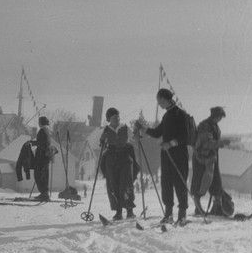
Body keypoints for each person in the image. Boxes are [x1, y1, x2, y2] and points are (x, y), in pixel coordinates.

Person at [137, 88, 190, 225]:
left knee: (179, 183)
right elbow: (157, 132)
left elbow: (185, 136)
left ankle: (182, 215)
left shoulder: (180, 114)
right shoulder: (167, 116)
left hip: (178, 154)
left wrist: (171, 143)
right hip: (166, 155)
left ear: (163, 99)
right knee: (166, 183)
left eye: (158, 100)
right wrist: (144, 128)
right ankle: (168, 214)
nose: (158, 104)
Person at [191, 107, 233, 217]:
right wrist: (221, 143)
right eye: (220, 117)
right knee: (201, 182)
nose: (220, 119)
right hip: (201, 159)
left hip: (211, 158)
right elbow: (206, 143)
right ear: (216, 116)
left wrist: (220, 143)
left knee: (216, 181)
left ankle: (217, 207)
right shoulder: (204, 125)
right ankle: (197, 208)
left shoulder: (214, 125)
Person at [98, 108, 138, 220]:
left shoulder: (125, 127)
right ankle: (118, 212)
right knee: (114, 185)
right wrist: (102, 141)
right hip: (111, 158)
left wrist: (137, 133)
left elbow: (134, 138)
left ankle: (130, 210)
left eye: (118, 116)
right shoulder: (106, 129)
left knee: (127, 184)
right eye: (114, 117)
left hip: (125, 157)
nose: (117, 119)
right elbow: (102, 142)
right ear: (109, 119)